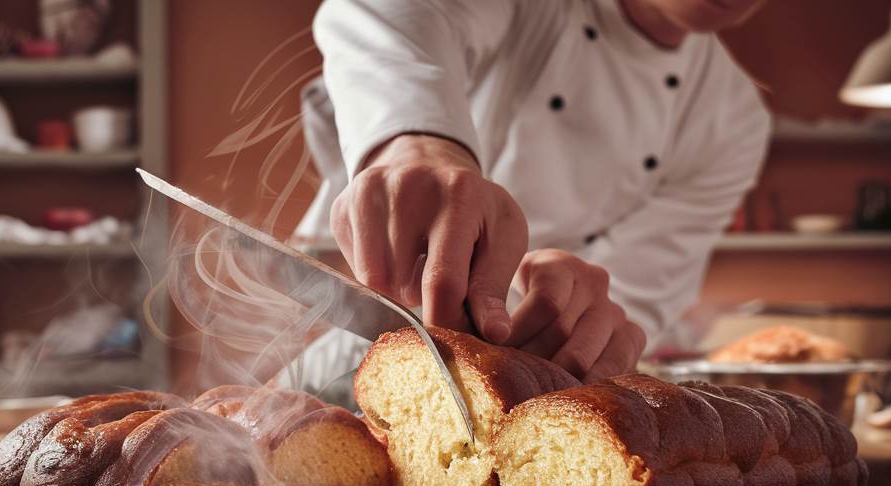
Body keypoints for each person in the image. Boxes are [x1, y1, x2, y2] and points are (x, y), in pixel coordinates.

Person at [293, 0, 771, 384]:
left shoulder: (733, 119)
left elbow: (635, 292)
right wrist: (419, 144)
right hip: (345, 319)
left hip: (505, 374)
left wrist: (582, 325)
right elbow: (388, 12)